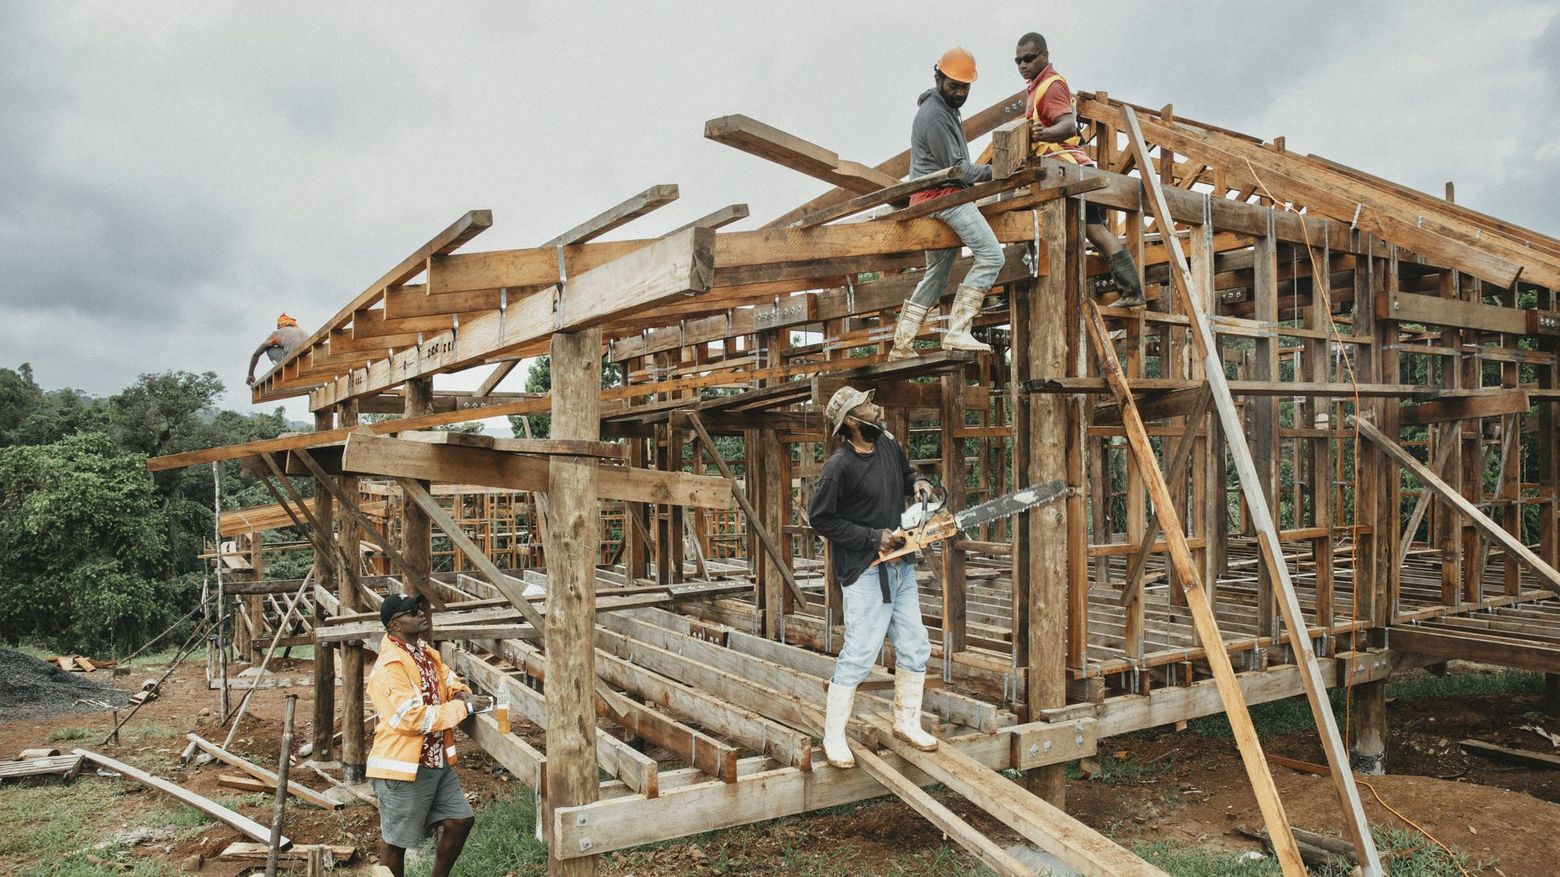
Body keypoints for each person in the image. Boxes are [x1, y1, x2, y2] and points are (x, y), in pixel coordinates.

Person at [807, 386, 942, 768]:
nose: (876, 407)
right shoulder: (839, 467)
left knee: (916, 646)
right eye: (867, 405)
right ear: (852, 421)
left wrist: (916, 483)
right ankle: (833, 736)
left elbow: (904, 475)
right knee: (861, 654)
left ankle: (907, 722)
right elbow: (821, 518)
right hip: (865, 570)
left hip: (899, 565)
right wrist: (871, 537)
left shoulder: (888, 444)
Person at [888, 47, 1006, 361]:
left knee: (937, 274)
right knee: (992, 257)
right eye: (954, 85)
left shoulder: (945, 107)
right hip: (943, 198)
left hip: (933, 196)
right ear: (938, 77)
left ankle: (902, 345)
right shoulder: (935, 116)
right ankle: (958, 331)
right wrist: (999, 171)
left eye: (965, 86)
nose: (960, 92)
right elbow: (958, 169)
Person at [1014, 31, 1146, 309]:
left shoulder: (1051, 85)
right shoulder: (1036, 88)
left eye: (1028, 58)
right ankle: (1132, 292)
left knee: (1073, 231)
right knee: (1091, 232)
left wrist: (1041, 135)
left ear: (1044, 56)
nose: (1023, 65)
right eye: (1018, 61)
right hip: (1064, 172)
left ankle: (1133, 292)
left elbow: (1068, 125)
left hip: (1066, 171)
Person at [366, 593, 492, 877]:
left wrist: (459, 691)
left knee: (461, 819)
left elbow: (445, 678)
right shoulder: (389, 667)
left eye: (419, 608)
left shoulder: (423, 652)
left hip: (434, 761)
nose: (421, 613)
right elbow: (411, 719)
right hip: (403, 768)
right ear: (395, 626)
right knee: (396, 844)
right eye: (412, 611)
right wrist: (461, 707)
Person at [245, 313, 309, 385]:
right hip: (307, 362)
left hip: (291, 362)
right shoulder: (304, 332)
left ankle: (283, 367)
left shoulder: (278, 333)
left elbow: (256, 354)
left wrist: (250, 374)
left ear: (281, 325)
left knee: (270, 348)